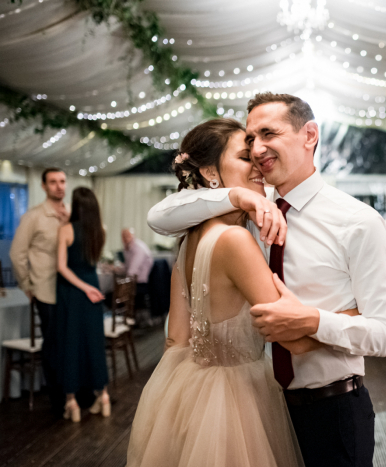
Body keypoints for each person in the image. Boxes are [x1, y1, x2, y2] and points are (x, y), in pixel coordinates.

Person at [147, 93, 386, 467]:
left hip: (332, 411)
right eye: (250, 142)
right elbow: (161, 215)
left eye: (268, 134)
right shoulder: (247, 210)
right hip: (260, 406)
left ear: (309, 135)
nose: (258, 150)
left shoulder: (357, 221)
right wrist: (238, 196)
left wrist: (315, 320)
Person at [128, 119, 316, 466]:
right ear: (210, 172)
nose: (258, 164)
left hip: (191, 388)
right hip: (239, 398)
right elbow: (292, 337)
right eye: (246, 157)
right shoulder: (235, 240)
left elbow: (176, 339)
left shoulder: (188, 240)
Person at [9, 167, 69, 416]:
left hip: (69, 289)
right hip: (45, 289)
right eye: (53, 182)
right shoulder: (33, 216)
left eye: (62, 181)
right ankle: (57, 399)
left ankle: (73, 392)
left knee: (68, 342)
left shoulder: (71, 214)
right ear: (43, 186)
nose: (59, 186)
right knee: (53, 344)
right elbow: (16, 254)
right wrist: (27, 285)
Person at [55, 187, 110, 422]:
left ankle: (71, 402)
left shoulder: (66, 230)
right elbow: (93, 261)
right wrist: (89, 287)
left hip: (72, 292)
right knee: (95, 345)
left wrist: (83, 288)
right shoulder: (101, 230)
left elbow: (61, 267)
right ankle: (104, 397)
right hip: (93, 288)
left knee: (70, 346)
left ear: (75, 205)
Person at [120, 227, 154, 307]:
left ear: (133, 236)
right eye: (123, 236)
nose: (125, 238)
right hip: (133, 281)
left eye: (127, 236)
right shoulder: (127, 248)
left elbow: (132, 271)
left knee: (112, 293)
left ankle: (126, 316)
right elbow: (127, 267)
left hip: (140, 284)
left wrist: (123, 286)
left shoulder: (138, 249)